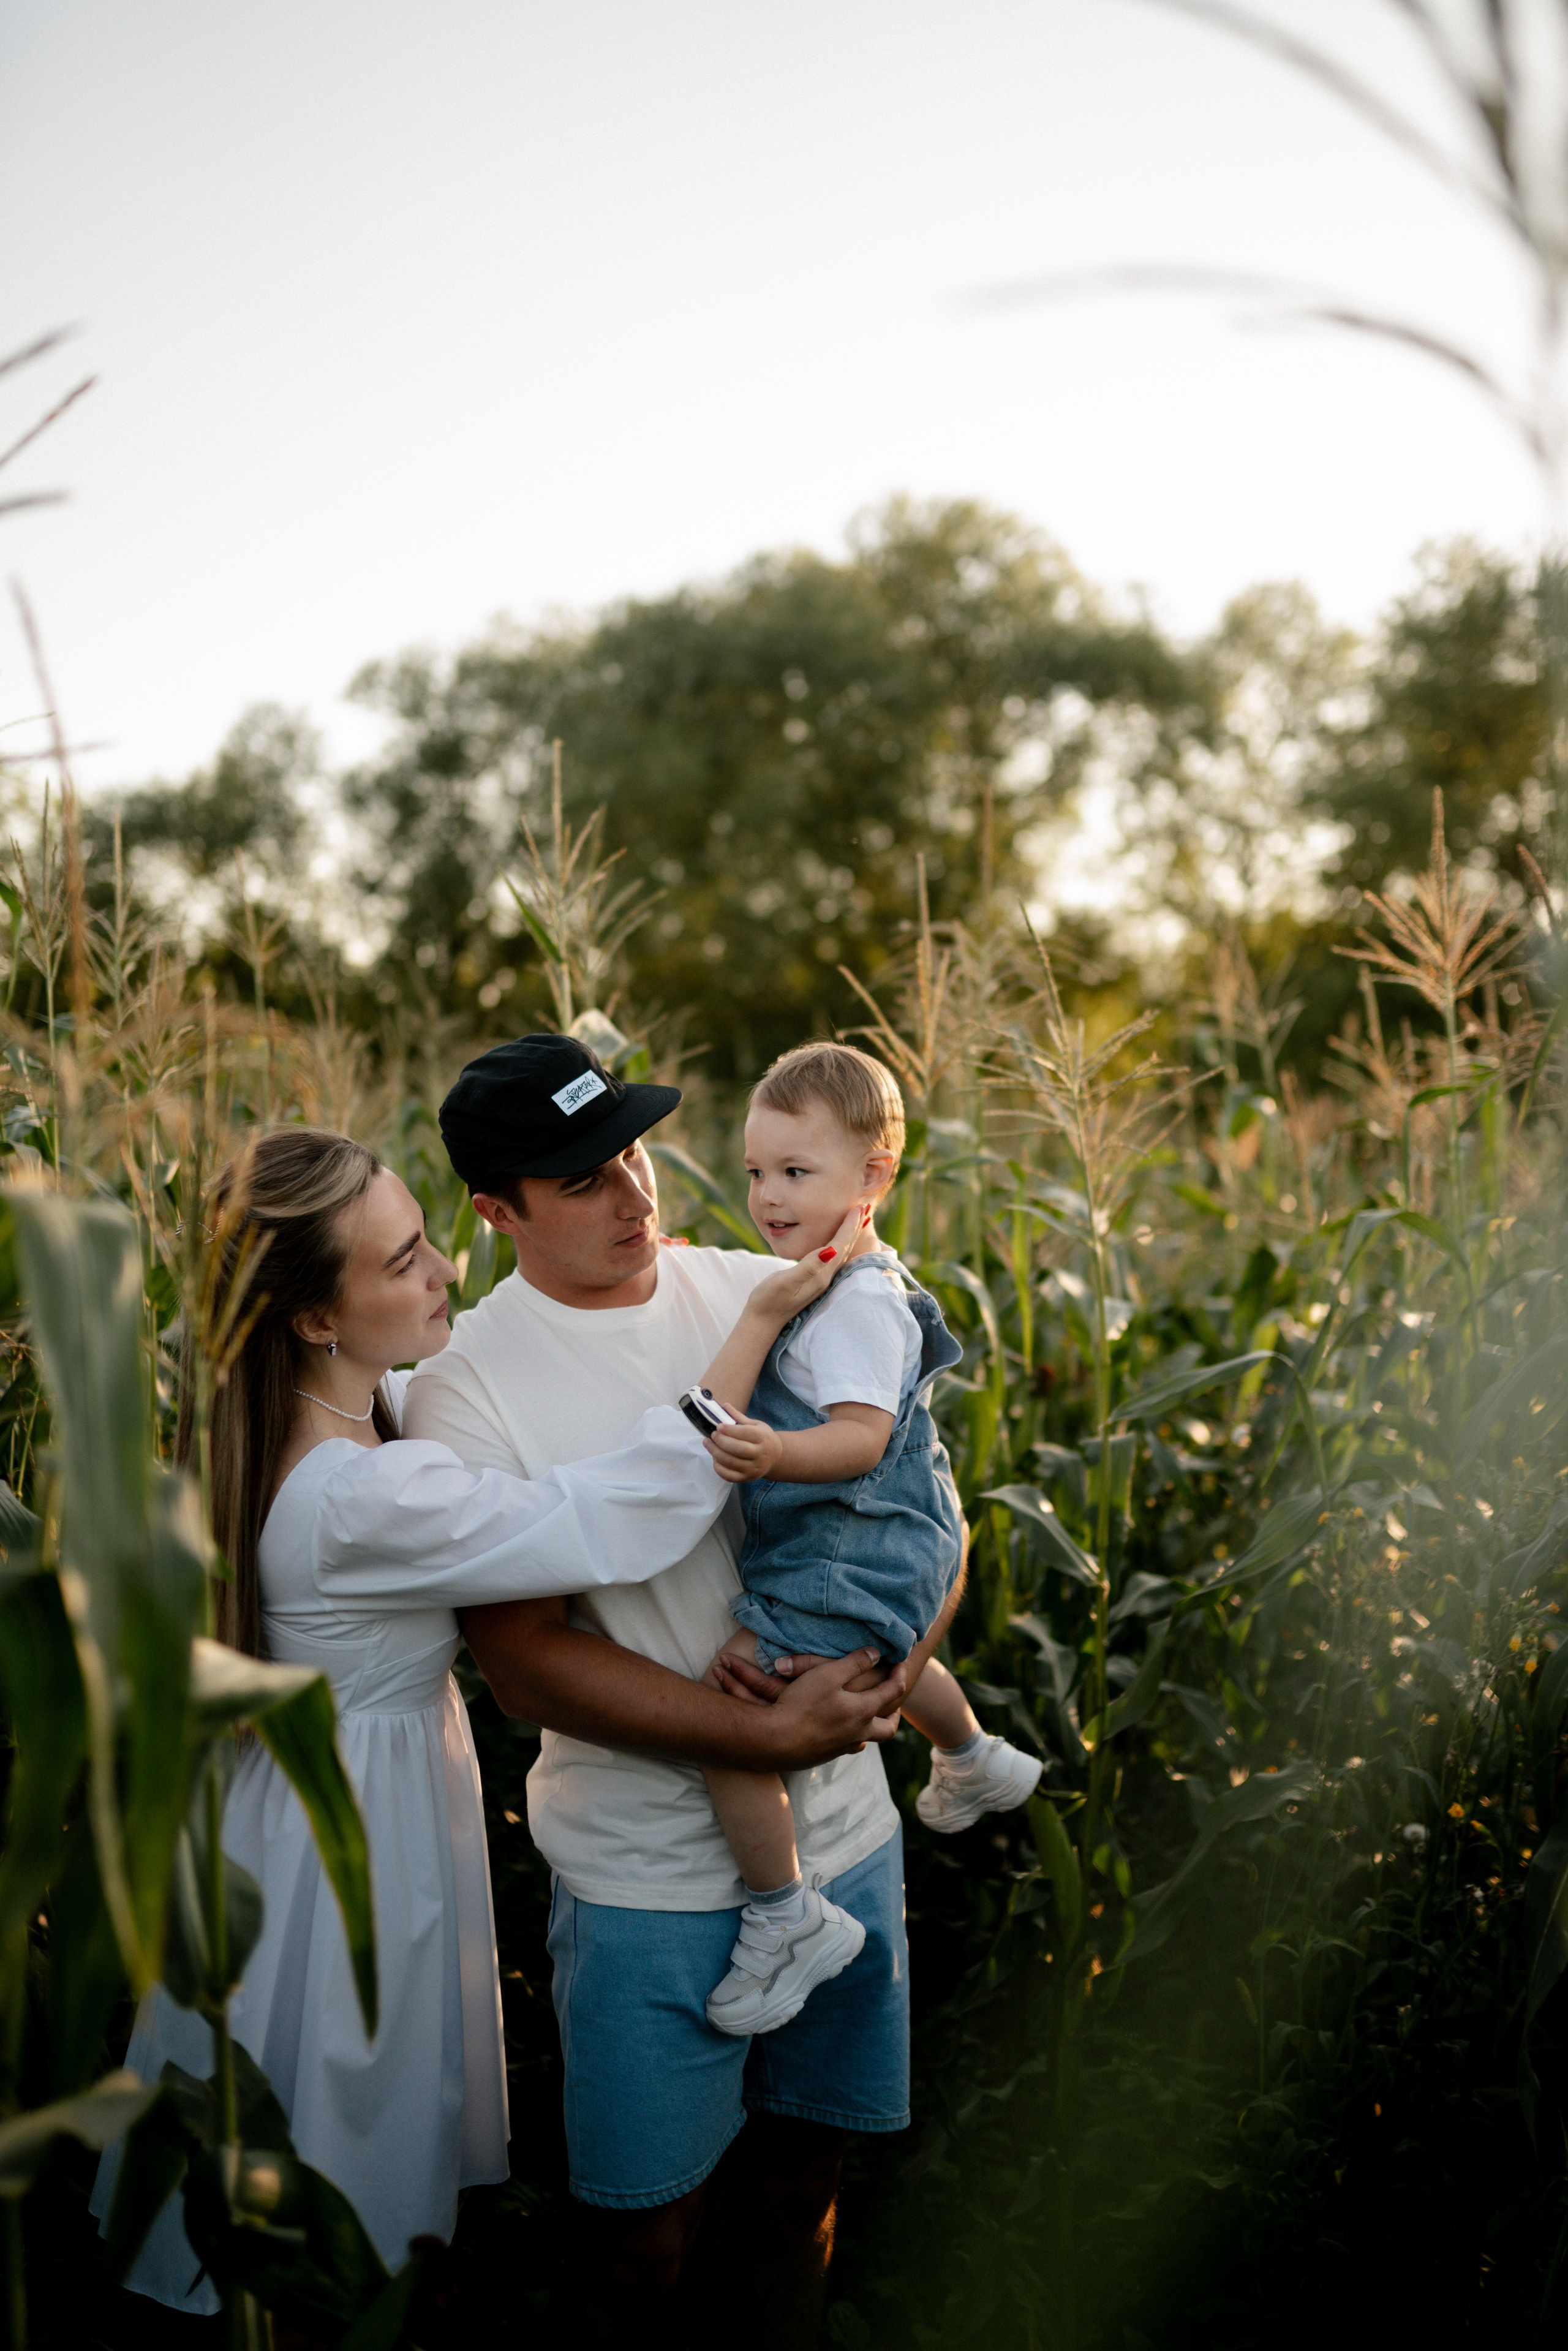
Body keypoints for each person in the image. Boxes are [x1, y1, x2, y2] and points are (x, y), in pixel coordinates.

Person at [92, 1123, 870, 2316]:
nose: (446, 1269)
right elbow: (607, 1514)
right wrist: (756, 1321)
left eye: (426, 1239)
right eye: (402, 1259)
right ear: (314, 1315)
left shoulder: (348, 1413)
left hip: (308, 1812)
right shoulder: (359, 1493)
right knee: (321, 2178)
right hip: (344, 1858)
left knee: (316, 2168)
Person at [401, 1033, 935, 2351]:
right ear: (496, 1209)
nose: (634, 1192)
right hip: (648, 1880)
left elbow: (929, 1506)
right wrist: (769, 1728)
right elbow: (523, 1658)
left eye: (633, 1149)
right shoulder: (465, 1390)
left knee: (799, 2188)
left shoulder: (768, 1286)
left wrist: (895, 1672)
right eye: (583, 1177)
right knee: (640, 2243)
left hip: (849, 1836)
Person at [695, 1043, 1044, 2039]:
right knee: (882, 1642)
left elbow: (860, 1439)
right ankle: (971, 1753)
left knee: (723, 1714)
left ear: (873, 1177)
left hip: (842, 1549)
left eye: (795, 1171)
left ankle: (785, 1913)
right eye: (756, 1170)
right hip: (890, 1549)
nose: (767, 1194)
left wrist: (773, 1452)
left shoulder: (856, 1303)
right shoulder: (842, 1281)